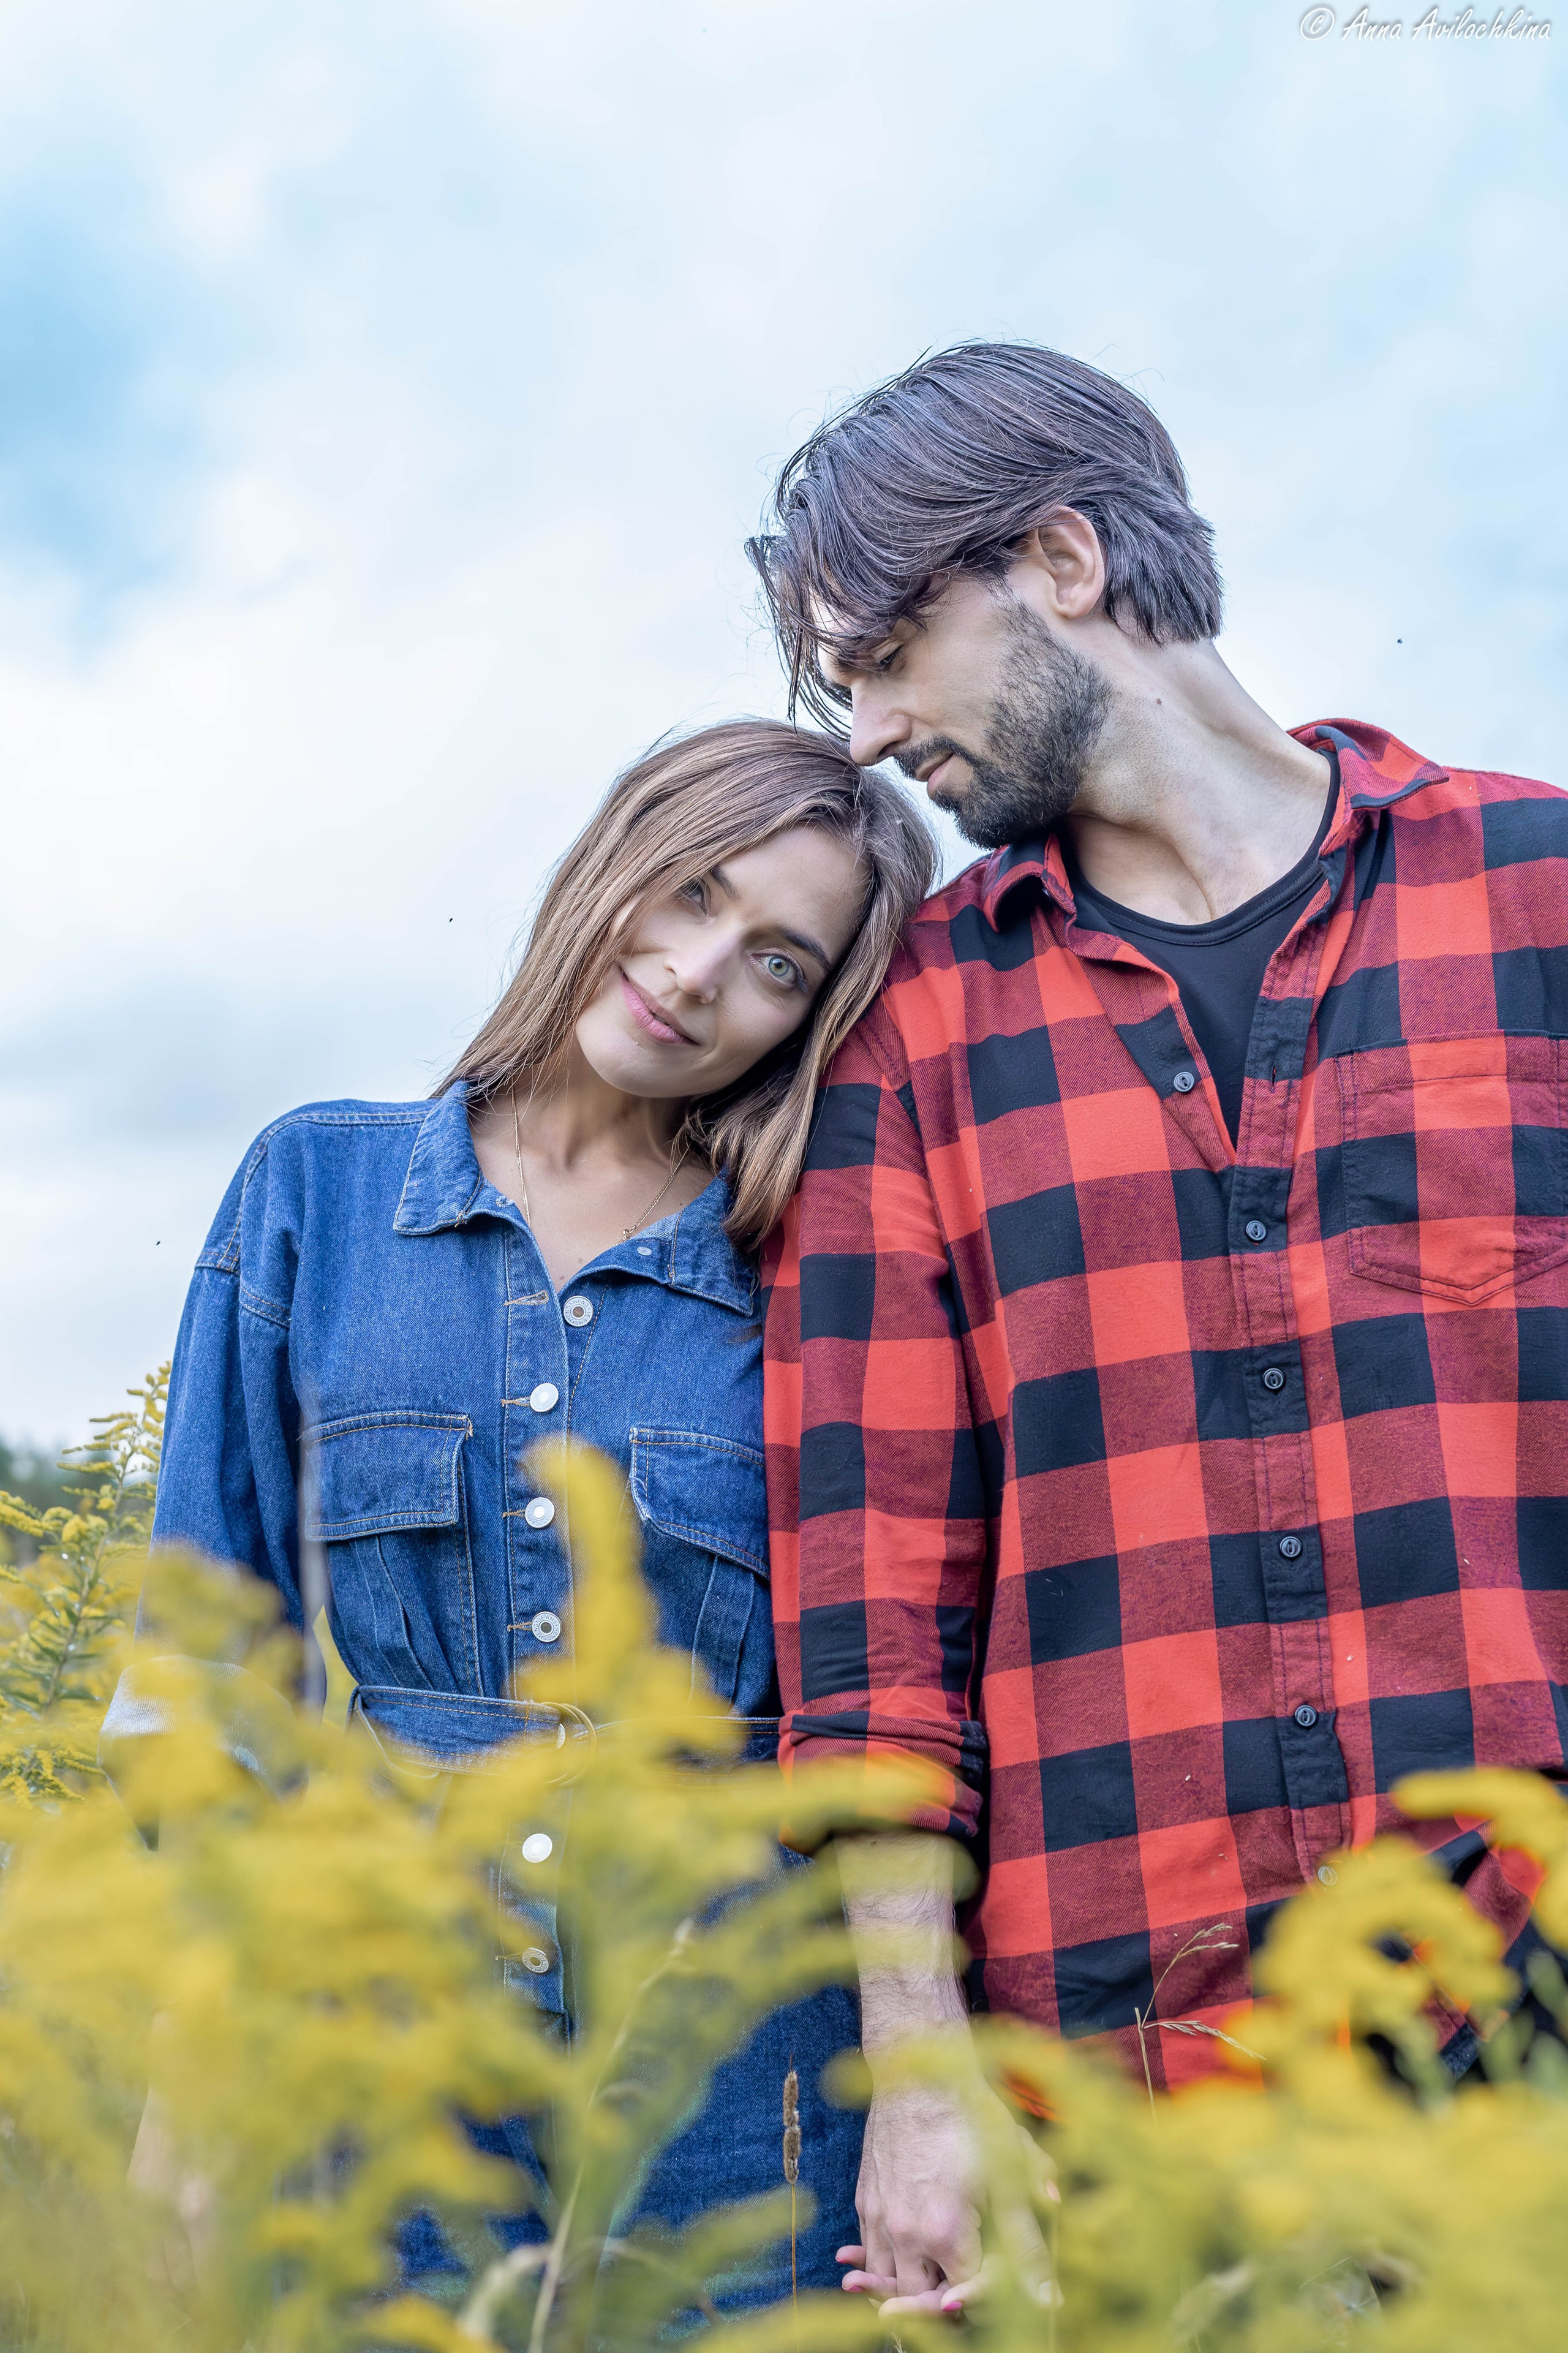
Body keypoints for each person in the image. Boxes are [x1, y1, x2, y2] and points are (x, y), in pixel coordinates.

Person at [748, 341, 1568, 2311]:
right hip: (1128, 2081)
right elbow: (872, 1600)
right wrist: (919, 2068)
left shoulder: (1541, 897)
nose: (865, 733)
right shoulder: (913, 1032)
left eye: (879, 657)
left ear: (1059, 556)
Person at [118, 719, 937, 2303]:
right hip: (380, 2033)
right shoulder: (316, 1193)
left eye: (777, 960)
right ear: (612, 856)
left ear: (811, 1018)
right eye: (691, 889)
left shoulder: (816, 1264)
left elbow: (887, 1674)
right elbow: (216, 1670)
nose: (700, 970)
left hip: (740, 2073)